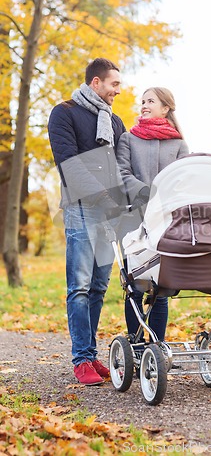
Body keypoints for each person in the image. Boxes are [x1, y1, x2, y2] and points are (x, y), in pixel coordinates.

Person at [48, 58, 127, 385]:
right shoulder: (64, 113)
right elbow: (70, 165)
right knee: (79, 286)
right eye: (114, 85)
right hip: (81, 208)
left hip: (110, 212)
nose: (117, 92)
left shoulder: (116, 122)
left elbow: (123, 166)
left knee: (98, 286)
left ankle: (91, 355)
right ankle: (81, 359)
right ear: (96, 83)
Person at [116, 87, 189, 344]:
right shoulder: (128, 139)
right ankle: (135, 346)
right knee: (134, 286)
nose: (144, 105)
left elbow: (183, 181)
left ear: (165, 108)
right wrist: (147, 192)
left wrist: (166, 201)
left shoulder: (179, 144)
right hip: (134, 220)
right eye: (143, 101)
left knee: (161, 289)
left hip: (166, 224)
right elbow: (122, 174)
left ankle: (157, 348)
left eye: (150, 101)